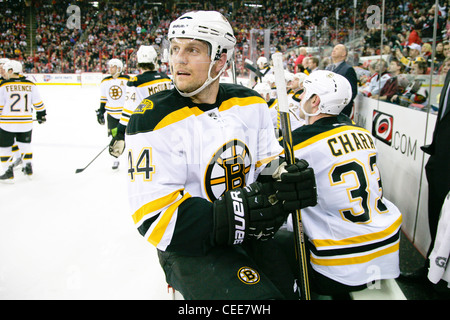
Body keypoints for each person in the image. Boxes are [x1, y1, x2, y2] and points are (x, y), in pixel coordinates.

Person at [125, 10, 317, 300]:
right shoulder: (153, 118)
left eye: (192, 50)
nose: (178, 59)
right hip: (190, 247)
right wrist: (237, 215)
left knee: (296, 290)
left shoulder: (251, 102)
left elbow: (267, 162)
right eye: (175, 49)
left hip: (250, 231)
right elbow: (153, 219)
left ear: (221, 59)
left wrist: (285, 178)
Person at [284, 70, 402, 296]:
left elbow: (267, 171)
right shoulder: (364, 133)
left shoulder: (298, 144)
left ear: (315, 100)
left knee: (276, 240)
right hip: (386, 246)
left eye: (305, 93)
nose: (300, 98)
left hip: (340, 265)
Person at [109, 45, 172, 158]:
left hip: (147, 130)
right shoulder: (166, 78)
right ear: (154, 60)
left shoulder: (136, 82)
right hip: (167, 127)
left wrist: (119, 131)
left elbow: (129, 110)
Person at [0, 60, 46, 182]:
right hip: (25, 123)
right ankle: (28, 167)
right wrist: (41, 115)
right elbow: (39, 104)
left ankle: (8, 172)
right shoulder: (30, 84)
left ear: (10, 71)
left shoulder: (3, 85)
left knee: (5, 148)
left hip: (7, 124)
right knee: (25, 145)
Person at [96, 58, 130, 170]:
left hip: (125, 114)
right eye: (109, 66)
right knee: (113, 137)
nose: (110, 69)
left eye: (113, 66)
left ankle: (132, 159)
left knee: (129, 137)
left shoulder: (127, 80)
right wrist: (101, 111)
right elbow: (103, 98)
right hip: (112, 115)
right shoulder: (105, 81)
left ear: (119, 68)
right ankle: (115, 159)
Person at [326, 44, 358, 117]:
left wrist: (341, 105)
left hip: (340, 110)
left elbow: (352, 91)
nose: (334, 50)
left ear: (344, 54)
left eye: (337, 49)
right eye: (333, 48)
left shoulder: (348, 69)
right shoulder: (329, 68)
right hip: (328, 106)